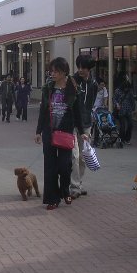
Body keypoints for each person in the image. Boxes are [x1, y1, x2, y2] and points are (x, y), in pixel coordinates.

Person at [35, 57, 86, 210]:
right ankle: (52, 199)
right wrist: (38, 131)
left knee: (65, 166)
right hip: (49, 131)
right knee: (50, 167)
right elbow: (43, 111)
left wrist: (82, 132)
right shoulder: (48, 88)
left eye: (55, 71)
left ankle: (65, 190)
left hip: (65, 132)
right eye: (51, 71)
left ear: (64, 72)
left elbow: (77, 112)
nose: (52, 74)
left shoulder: (73, 88)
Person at [70, 55, 98, 199]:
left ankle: (79, 184)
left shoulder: (93, 84)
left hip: (86, 124)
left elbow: (91, 103)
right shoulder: (72, 81)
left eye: (83, 67)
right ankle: (74, 186)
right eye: (79, 67)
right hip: (73, 124)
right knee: (74, 155)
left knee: (82, 157)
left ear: (89, 68)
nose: (80, 70)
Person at [113, 77, 136, 144]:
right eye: (126, 88)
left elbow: (132, 100)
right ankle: (122, 139)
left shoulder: (129, 91)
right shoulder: (118, 91)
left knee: (130, 125)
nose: (126, 89)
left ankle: (127, 139)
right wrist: (117, 104)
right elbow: (114, 99)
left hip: (128, 110)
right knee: (122, 126)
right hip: (121, 111)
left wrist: (134, 109)